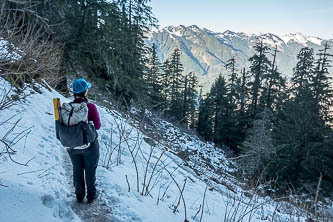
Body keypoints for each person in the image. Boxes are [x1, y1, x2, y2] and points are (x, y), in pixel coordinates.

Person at [67, 78, 101, 203]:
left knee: (77, 169)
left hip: (73, 145)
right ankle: (91, 196)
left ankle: (79, 195)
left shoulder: (68, 108)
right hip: (89, 146)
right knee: (90, 169)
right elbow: (97, 126)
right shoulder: (90, 107)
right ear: (85, 91)